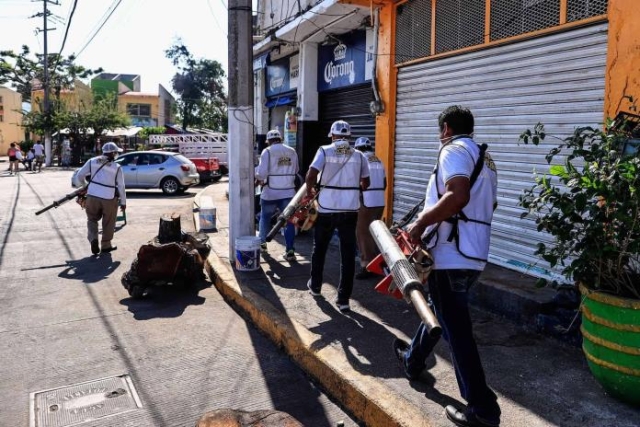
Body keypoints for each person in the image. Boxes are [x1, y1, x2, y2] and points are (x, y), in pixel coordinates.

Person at [393, 106, 499, 427]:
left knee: (457, 332)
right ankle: (413, 360)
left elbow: (457, 196)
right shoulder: (485, 158)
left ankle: (483, 410)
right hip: (473, 253)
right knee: (439, 313)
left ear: (446, 129)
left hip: (451, 255)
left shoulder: (453, 149)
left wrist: (419, 225)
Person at [305, 120, 370, 312]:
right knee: (348, 255)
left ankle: (315, 286)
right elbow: (366, 183)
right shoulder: (359, 155)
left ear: (332, 135)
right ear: (349, 136)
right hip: (350, 209)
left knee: (320, 248)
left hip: (326, 208)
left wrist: (310, 193)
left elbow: (310, 176)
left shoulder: (324, 150)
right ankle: (343, 300)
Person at [255, 129, 299, 261]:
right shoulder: (292, 151)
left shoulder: (267, 151)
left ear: (268, 141)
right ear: (280, 139)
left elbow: (261, 173)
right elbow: (296, 170)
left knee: (265, 217)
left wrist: (257, 177)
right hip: (289, 192)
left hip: (270, 192)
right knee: (288, 222)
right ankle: (290, 250)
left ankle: (262, 244)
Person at [74, 142, 126, 255]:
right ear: (112, 153)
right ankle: (106, 245)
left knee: (92, 219)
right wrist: (123, 202)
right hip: (109, 198)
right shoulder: (117, 167)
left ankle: (94, 239)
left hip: (92, 196)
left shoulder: (92, 161)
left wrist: (85, 186)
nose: (116, 154)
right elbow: (121, 186)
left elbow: (79, 176)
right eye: (116, 153)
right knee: (108, 222)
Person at [353, 137, 387, 280]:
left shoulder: (360, 160)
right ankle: (377, 262)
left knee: (363, 234)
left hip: (366, 200)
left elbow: (358, 181)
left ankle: (367, 266)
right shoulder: (378, 160)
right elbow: (384, 183)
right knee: (374, 233)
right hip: (379, 200)